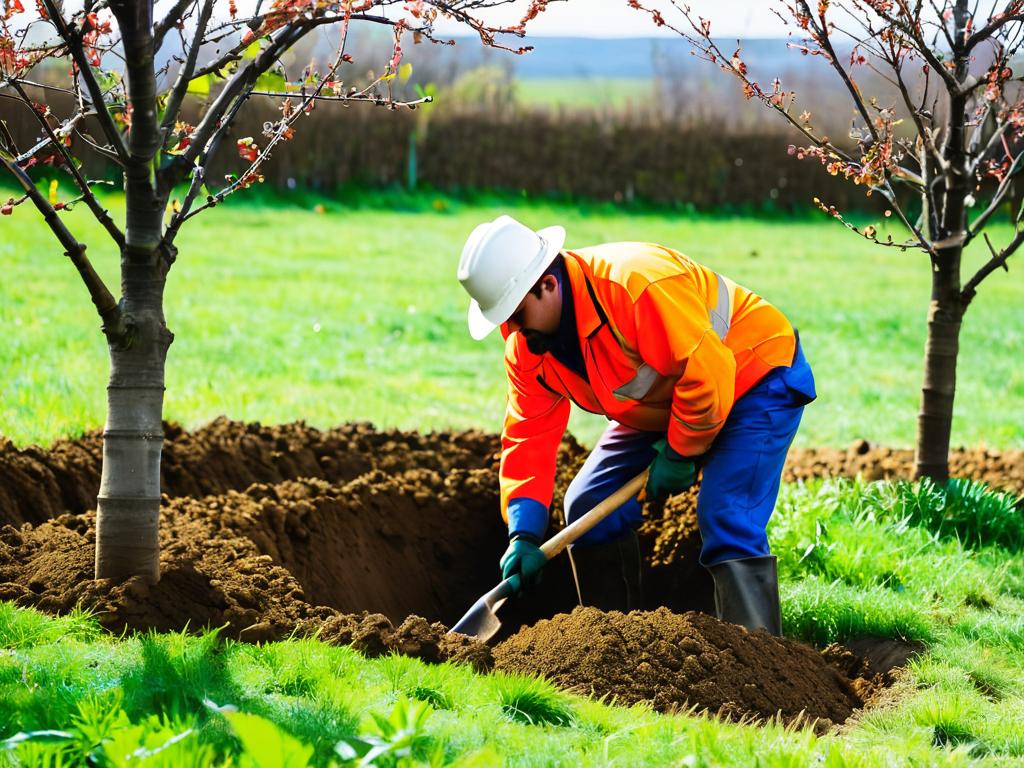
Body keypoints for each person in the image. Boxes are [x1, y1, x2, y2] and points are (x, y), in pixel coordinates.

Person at [456, 215, 816, 635]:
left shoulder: (634, 286)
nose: (511, 331)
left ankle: (760, 658)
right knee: (589, 503)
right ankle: (615, 643)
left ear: (548, 285)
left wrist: (682, 451)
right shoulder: (527, 347)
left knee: (725, 514)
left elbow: (708, 371)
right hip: (667, 400)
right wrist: (524, 531)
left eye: (515, 313)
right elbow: (528, 436)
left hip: (754, 375)